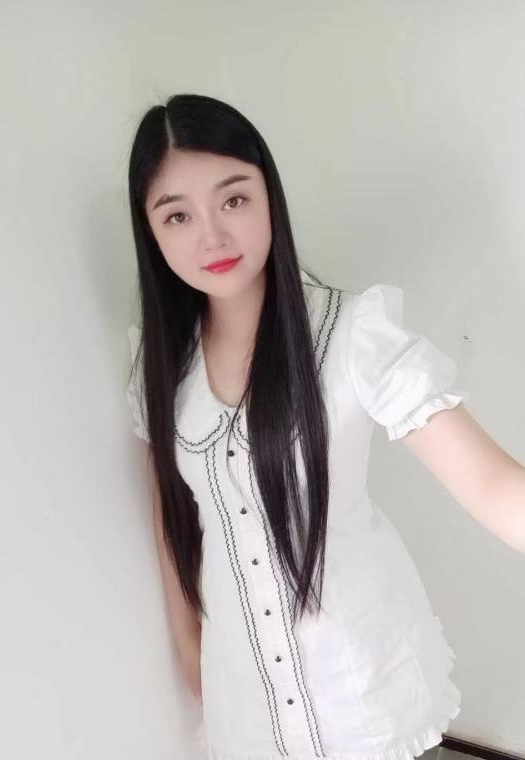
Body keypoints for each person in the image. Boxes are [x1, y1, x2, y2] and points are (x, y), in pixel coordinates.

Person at [124, 93, 525, 760]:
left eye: (233, 199)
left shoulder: (351, 334)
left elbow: (492, 485)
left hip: (364, 682)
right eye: (177, 215)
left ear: (269, 198)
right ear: (151, 232)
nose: (211, 236)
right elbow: (171, 515)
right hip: (244, 693)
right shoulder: (160, 368)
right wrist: (188, 640)